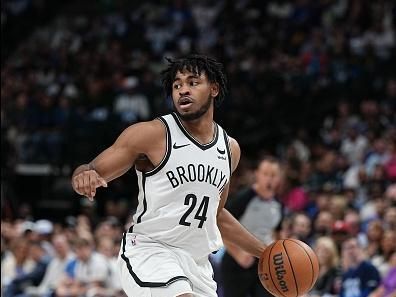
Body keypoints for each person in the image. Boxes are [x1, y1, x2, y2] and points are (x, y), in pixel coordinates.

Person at [71, 54, 267, 297]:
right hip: (151, 252)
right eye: (177, 85)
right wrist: (83, 177)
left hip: (197, 265)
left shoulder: (229, 149)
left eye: (193, 83)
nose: (183, 90)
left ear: (214, 89)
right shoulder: (151, 134)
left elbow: (215, 214)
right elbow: (90, 169)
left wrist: (264, 252)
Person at [221, 156, 283, 297]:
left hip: (263, 262)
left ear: (278, 179)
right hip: (237, 260)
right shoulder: (243, 198)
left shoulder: (279, 205)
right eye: (266, 174)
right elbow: (221, 225)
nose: (269, 179)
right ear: (257, 175)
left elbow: (278, 233)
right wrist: (237, 253)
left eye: (273, 175)